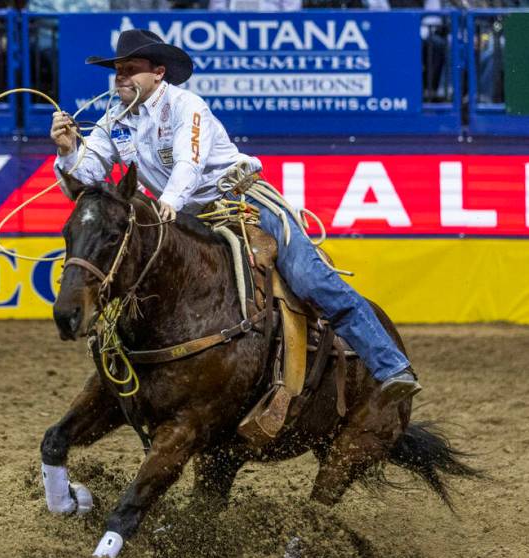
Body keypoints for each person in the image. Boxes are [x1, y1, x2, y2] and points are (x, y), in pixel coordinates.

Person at [49, 28, 422, 400]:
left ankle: (390, 365)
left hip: (242, 201)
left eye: (131, 68)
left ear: (158, 73)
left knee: (310, 279)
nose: (121, 77)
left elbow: (188, 164)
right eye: (118, 70)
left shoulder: (186, 106)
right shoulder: (114, 119)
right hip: (186, 216)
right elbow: (82, 183)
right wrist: (67, 151)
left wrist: (170, 203)